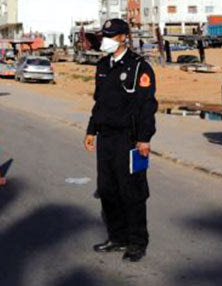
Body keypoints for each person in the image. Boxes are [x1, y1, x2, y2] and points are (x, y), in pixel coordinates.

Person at [84, 18, 157, 262]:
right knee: (107, 190)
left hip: (130, 140)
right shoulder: (103, 65)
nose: (105, 40)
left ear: (123, 37)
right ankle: (117, 237)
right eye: (104, 35)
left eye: (111, 35)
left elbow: (147, 106)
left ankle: (137, 242)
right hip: (106, 138)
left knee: (132, 191)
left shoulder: (139, 67)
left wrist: (144, 139)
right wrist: (91, 130)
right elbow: (99, 103)